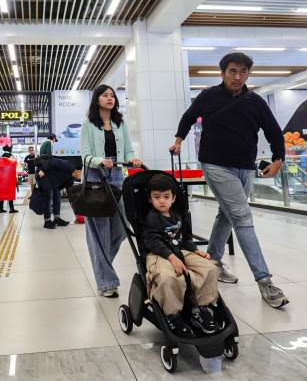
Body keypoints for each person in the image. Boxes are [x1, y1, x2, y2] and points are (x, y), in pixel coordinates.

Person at [171, 52, 289, 309]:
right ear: (223, 73)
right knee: (243, 217)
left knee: (227, 215)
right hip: (215, 163)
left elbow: (273, 131)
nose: (238, 76)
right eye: (233, 71)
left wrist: (279, 159)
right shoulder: (208, 96)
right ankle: (265, 280)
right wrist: (179, 139)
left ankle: (212, 261)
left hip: (245, 167)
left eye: (243, 72)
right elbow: (188, 117)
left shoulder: (256, 102)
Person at [81, 84, 142, 298]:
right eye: (105, 95)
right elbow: (85, 155)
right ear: (97, 99)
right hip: (94, 177)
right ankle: (107, 282)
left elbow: (128, 148)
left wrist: (133, 157)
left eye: (112, 95)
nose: (110, 98)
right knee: (99, 233)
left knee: (120, 228)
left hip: (117, 175)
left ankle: (102, 266)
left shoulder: (120, 122)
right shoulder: (89, 123)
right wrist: (101, 161)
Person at [142, 174, 220, 337]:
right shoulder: (152, 218)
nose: (162, 201)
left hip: (180, 251)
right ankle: (172, 315)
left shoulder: (177, 215)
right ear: (149, 199)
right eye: (157, 197)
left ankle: (200, 307)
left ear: (173, 198)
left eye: (166, 197)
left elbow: (185, 239)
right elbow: (152, 242)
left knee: (210, 268)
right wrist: (171, 257)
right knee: (169, 277)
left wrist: (195, 250)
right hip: (159, 254)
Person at [33, 155, 78, 229]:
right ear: (76, 170)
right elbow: (52, 162)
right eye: (79, 173)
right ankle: (47, 221)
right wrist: (42, 170)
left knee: (57, 196)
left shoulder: (72, 177)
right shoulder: (68, 165)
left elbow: (67, 188)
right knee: (48, 197)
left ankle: (57, 219)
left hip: (52, 178)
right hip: (42, 174)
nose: (80, 176)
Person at [0, 145, 18, 214]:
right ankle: (11, 208)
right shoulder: (10, 155)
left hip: (2, 176)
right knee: (10, 192)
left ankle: (0, 208)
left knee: (2, 192)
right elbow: (14, 164)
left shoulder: (2, 155)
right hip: (9, 176)